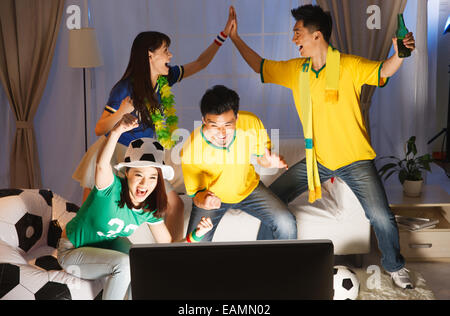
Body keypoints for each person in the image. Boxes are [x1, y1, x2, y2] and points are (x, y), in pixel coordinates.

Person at [227, 4, 416, 289]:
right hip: (319, 160)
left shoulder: (349, 65)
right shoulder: (296, 70)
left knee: (380, 216)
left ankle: (395, 266)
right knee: (272, 197)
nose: (294, 39)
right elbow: (260, 65)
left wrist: (401, 54)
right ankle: (264, 257)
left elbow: (382, 71)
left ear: (317, 35)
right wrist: (235, 37)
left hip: (355, 159)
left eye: (297, 33)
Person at [72, 11, 234, 241]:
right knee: (93, 210)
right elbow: (100, 128)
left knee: (175, 204)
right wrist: (121, 112)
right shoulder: (124, 89)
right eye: (166, 50)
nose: (171, 54)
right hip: (116, 153)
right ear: (150, 55)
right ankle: (79, 249)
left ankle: (171, 255)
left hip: (145, 154)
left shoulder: (163, 80)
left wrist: (223, 35)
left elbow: (200, 63)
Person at [58, 114, 213, 300]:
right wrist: (117, 131)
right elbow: (101, 165)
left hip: (107, 248)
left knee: (140, 262)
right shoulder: (110, 189)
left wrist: (195, 235)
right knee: (124, 264)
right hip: (72, 250)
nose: (144, 184)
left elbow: (168, 248)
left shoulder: (148, 208)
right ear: (127, 173)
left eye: (152, 177)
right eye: (139, 174)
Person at [181, 85, 297, 241]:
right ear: (203, 121)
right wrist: (206, 201)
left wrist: (269, 162)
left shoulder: (251, 123)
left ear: (236, 118)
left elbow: (262, 159)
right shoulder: (191, 150)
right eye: (214, 126)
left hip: (248, 189)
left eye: (228, 125)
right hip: (213, 197)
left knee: (286, 222)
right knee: (193, 248)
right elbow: (197, 196)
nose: (221, 133)